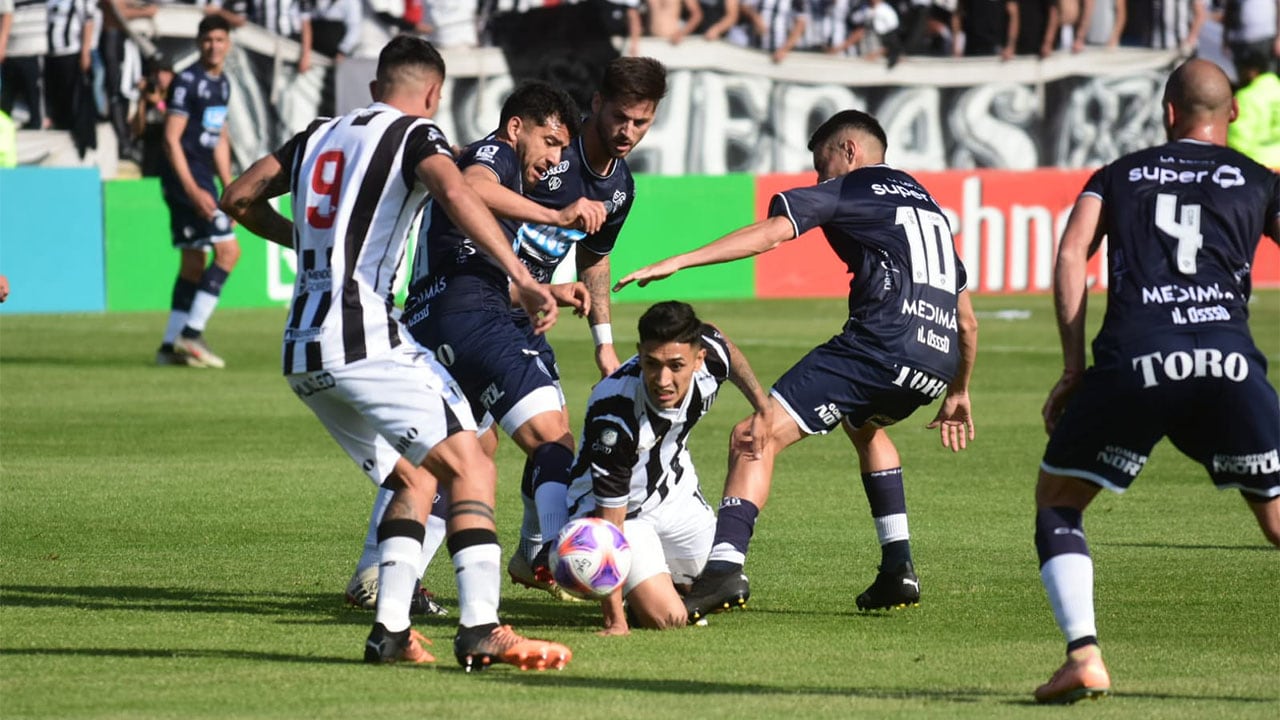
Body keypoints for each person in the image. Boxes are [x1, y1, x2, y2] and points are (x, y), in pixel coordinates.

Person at [220, 35, 572, 670]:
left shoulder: (317, 135)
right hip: (362, 335)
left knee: (418, 474)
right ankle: (482, 626)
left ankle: (389, 633)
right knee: (473, 463)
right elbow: (458, 193)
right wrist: (520, 274)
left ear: (376, 85)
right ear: (433, 94)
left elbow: (238, 197)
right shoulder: (418, 136)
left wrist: (306, 245)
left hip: (301, 347)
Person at [615, 108, 979, 621]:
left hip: (879, 345)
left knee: (754, 432)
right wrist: (959, 390)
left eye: (821, 164)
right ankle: (898, 564)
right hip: (934, 364)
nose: (818, 177)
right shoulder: (932, 211)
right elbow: (967, 320)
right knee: (865, 425)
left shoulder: (856, 187)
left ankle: (723, 570)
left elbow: (771, 233)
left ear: (848, 151)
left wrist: (679, 261)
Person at [1030, 58, 1280, 704]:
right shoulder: (1259, 178)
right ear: (1230, 115)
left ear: (1168, 113)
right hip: (1228, 359)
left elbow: (1068, 255)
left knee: (1059, 499)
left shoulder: (1118, 175)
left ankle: (1084, 654)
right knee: (1277, 518)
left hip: (1138, 357)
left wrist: (1072, 367)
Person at [343, 79, 604, 610]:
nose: (555, 159)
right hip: (469, 315)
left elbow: (462, 260)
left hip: (433, 314)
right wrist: (555, 214)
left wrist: (541, 288)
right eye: (551, 143)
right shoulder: (496, 154)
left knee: (454, 455)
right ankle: (553, 552)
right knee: (551, 434)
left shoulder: (496, 177)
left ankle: (378, 574)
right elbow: (471, 184)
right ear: (516, 128)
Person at [505, 56, 668, 594]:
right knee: (485, 448)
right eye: (620, 117)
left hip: (527, 317)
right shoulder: (550, 146)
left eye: (641, 122)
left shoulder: (620, 186)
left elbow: (593, 257)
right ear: (596, 104)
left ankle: (534, 555)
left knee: (544, 442)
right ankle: (541, 553)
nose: (628, 132)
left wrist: (604, 343)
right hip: (481, 301)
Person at [565, 301, 770, 633]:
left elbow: (723, 343)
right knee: (668, 619)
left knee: (722, 577)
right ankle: (635, 599)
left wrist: (762, 407)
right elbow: (610, 523)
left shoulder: (709, 362)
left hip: (674, 496)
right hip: (619, 515)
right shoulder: (615, 414)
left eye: (676, 365)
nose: (663, 379)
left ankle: (658, 583)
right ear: (639, 354)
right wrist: (614, 620)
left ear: (699, 358)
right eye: (652, 364)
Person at [155, 14, 238, 369]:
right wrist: (194, 189)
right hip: (187, 180)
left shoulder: (223, 84)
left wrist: (230, 187)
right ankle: (192, 332)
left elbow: (219, 136)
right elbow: (171, 139)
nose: (213, 46)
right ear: (199, 42)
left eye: (220, 40)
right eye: (207, 40)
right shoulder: (187, 81)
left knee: (192, 264)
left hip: (203, 178)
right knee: (228, 253)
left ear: (228, 43)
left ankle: (169, 347)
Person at [1226, 47, 1280, 167]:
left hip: (1257, 168)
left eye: (1240, 69)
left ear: (1252, 72)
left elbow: (1237, 143)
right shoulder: (1278, 88)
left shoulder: (1246, 97)